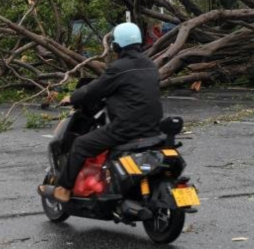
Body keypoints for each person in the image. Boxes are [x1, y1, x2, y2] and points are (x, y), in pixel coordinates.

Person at [38, 22, 164, 203]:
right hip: (154, 128)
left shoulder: (118, 68)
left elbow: (92, 90)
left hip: (125, 129)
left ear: (116, 45)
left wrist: (72, 98)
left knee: (81, 144)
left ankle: (63, 189)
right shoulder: (151, 65)